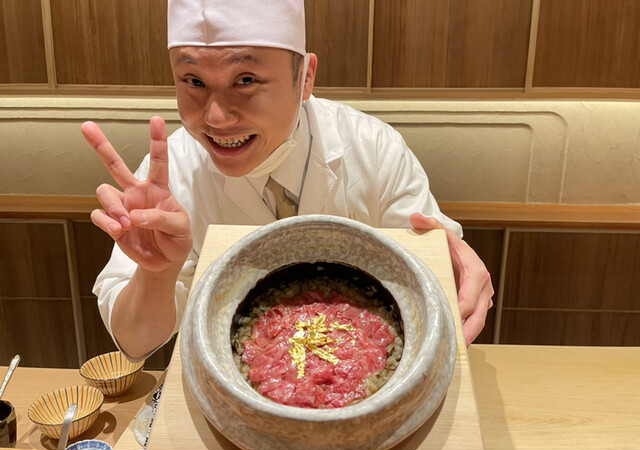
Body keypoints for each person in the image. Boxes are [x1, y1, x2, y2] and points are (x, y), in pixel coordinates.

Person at [81, 0, 493, 362]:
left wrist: (460, 277)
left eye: (246, 80)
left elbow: (436, 287)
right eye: (194, 82)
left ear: (306, 77)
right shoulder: (170, 177)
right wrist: (157, 275)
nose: (216, 118)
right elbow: (135, 343)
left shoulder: (374, 150)